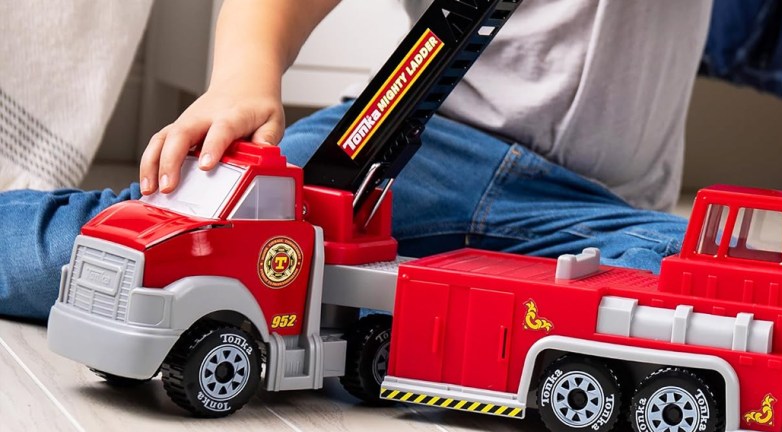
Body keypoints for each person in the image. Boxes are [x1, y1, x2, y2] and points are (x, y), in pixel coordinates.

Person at [0, 0, 711, 320]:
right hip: (408, 145)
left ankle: (389, 307)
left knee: (703, 295)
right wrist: (244, 75)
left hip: (604, 209)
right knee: (147, 248)